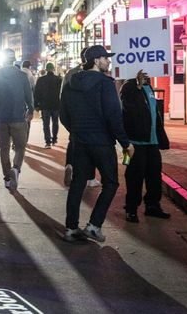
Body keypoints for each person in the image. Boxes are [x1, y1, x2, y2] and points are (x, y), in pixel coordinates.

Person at [60, 45, 134, 243]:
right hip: (101, 142)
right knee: (111, 182)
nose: (108, 61)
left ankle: (71, 228)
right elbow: (113, 115)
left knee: (77, 183)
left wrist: (76, 131)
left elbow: (63, 114)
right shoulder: (104, 83)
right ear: (95, 61)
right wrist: (125, 143)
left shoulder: (71, 82)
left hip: (79, 141)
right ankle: (93, 225)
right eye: (105, 58)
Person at [120, 69, 171, 223]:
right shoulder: (128, 87)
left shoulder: (148, 88)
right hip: (135, 144)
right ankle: (131, 209)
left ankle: (153, 206)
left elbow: (154, 114)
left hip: (152, 142)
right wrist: (137, 85)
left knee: (155, 176)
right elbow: (128, 107)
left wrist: (161, 137)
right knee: (134, 177)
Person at [0, 49, 33, 193]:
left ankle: (7, 178)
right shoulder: (22, 76)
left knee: (4, 148)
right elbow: (29, 95)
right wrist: (31, 109)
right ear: (14, 60)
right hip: (18, 117)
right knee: (20, 147)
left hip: (1, 118)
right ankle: (16, 168)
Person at [61, 47, 100, 188]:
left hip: (74, 117)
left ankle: (70, 165)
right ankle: (89, 177)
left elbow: (63, 97)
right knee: (91, 148)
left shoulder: (71, 74)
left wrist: (67, 122)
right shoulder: (95, 75)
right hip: (92, 118)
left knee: (74, 142)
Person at [34, 62, 62, 149]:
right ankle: (54, 139)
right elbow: (62, 93)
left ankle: (47, 141)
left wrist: (36, 105)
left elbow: (36, 93)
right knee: (55, 122)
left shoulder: (40, 80)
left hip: (44, 105)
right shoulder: (59, 79)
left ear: (46, 69)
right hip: (56, 104)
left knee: (46, 124)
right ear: (53, 69)